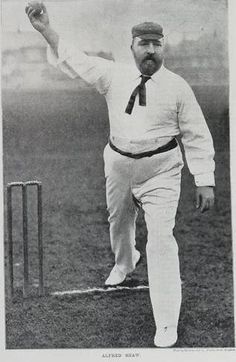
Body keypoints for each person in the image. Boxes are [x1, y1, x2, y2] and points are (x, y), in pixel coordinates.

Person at [26, 2, 215, 348]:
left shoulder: (177, 87)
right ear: (132, 47)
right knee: (119, 220)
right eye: (144, 43)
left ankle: (166, 323)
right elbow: (76, 60)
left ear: (163, 48)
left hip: (161, 169)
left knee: (161, 240)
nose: (151, 50)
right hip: (118, 162)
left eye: (157, 44)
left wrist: (204, 178)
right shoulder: (114, 74)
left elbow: (197, 134)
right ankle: (125, 263)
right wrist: (46, 30)